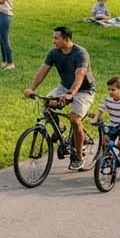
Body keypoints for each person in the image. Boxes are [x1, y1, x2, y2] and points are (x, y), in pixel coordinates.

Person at [23, 26, 97, 171]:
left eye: (56, 38)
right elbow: (42, 71)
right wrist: (31, 88)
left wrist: (70, 94)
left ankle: (79, 156)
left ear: (66, 39)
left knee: (75, 120)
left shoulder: (80, 53)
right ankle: (60, 127)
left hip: (83, 90)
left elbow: (80, 76)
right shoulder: (54, 53)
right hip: (64, 86)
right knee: (47, 105)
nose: (53, 41)